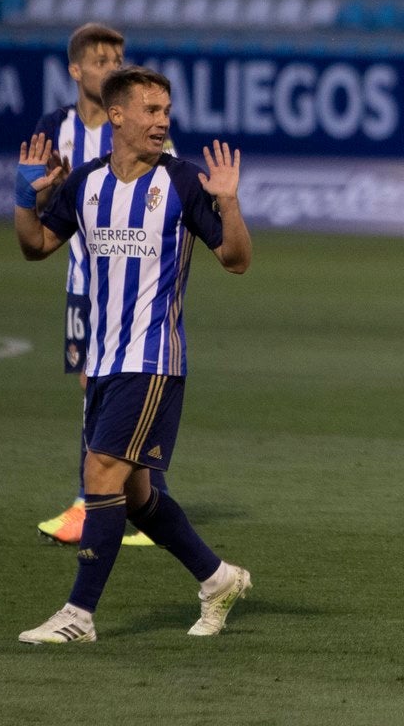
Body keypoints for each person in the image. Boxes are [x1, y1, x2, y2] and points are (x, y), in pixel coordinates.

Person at [14, 65, 252, 643]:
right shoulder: (86, 183)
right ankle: (218, 578)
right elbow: (37, 245)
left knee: (99, 473)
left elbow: (237, 260)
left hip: (151, 360)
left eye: (166, 111)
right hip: (102, 361)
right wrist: (26, 197)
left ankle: (79, 615)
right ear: (116, 115)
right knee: (138, 495)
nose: (161, 120)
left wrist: (230, 205)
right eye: (150, 110)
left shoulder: (185, 182)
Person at [33, 22, 170, 547]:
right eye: (99, 60)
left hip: (136, 288)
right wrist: (46, 190)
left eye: (117, 58)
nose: (110, 66)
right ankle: (108, 500)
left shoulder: (146, 130)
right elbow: (42, 210)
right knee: (93, 390)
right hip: (82, 285)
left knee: (128, 386)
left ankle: (104, 501)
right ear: (75, 69)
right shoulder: (56, 128)